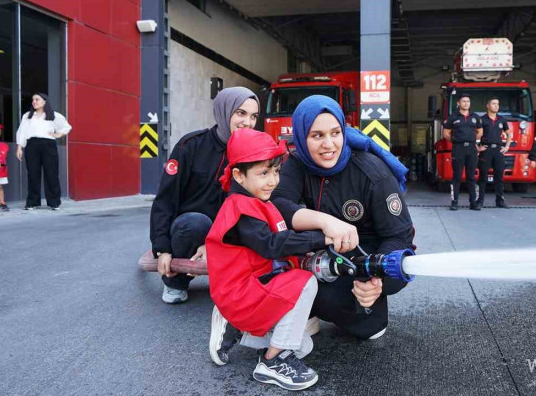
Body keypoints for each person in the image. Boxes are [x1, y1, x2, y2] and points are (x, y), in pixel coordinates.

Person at [271, 95, 413, 341]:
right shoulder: (296, 162)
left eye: (335, 133)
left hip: (365, 254)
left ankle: (324, 304)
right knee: (270, 248)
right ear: (302, 137)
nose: (329, 144)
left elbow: (400, 237)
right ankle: (303, 310)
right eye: (317, 136)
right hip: (318, 248)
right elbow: (278, 205)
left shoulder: (373, 172)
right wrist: (326, 221)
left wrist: (377, 279)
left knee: (368, 329)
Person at [207, 128, 329, 391]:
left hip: (254, 285)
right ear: (239, 175)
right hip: (240, 292)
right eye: (263, 173)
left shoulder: (258, 201)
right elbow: (271, 244)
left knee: (304, 345)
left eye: (275, 171)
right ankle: (271, 362)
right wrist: (321, 238)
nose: (273, 181)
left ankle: (239, 326)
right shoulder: (240, 208)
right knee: (305, 281)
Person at [149, 87, 260, 304]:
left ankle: (239, 280)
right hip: (190, 231)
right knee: (195, 222)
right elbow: (165, 200)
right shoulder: (190, 146)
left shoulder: (253, 154)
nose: (248, 122)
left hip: (229, 232)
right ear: (224, 111)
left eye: (253, 116)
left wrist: (215, 242)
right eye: (240, 113)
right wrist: (162, 249)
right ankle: (176, 282)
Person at [15, 93, 72, 211]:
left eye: (37, 99)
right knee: (33, 174)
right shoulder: (27, 116)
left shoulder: (54, 115)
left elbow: (66, 127)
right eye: (33, 100)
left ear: (44, 101)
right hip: (32, 145)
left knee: (51, 173)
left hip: (48, 145)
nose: (34, 102)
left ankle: (54, 203)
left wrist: (58, 134)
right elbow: (22, 132)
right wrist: (19, 147)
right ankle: (32, 202)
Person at [442, 94, 483, 210]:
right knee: (457, 177)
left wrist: (473, 140)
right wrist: (456, 141)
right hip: (458, 149)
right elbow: (446, 133)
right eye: (464, 101)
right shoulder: (453, 117)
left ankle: (473, 202)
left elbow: (480, 132)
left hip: (471, 149)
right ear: (459, 103)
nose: (466, 103)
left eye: (468, 101)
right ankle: (454, 202)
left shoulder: (475, 117)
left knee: (471, 177)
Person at [477, 97, 509, 208]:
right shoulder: (482, 119)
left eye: (498, 104)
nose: (496, 106)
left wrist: (507, 146)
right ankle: (480, 201)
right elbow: (474, 133)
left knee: (499, 177)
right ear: (488, 105)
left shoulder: (502, 119)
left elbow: (509, 134)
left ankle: (499, 201)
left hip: (498, 151)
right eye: (494, 103)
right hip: (486, 150)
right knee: (483, 177)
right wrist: (477, 147)